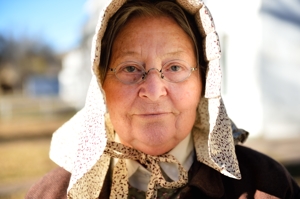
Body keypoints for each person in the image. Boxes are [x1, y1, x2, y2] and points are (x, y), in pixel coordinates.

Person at [25, 0, 300, 198]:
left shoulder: (265, 185)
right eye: (130, 68)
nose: (154, 90)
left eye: (175, 67)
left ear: (203, 81)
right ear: (101, 84)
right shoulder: (53, 194)